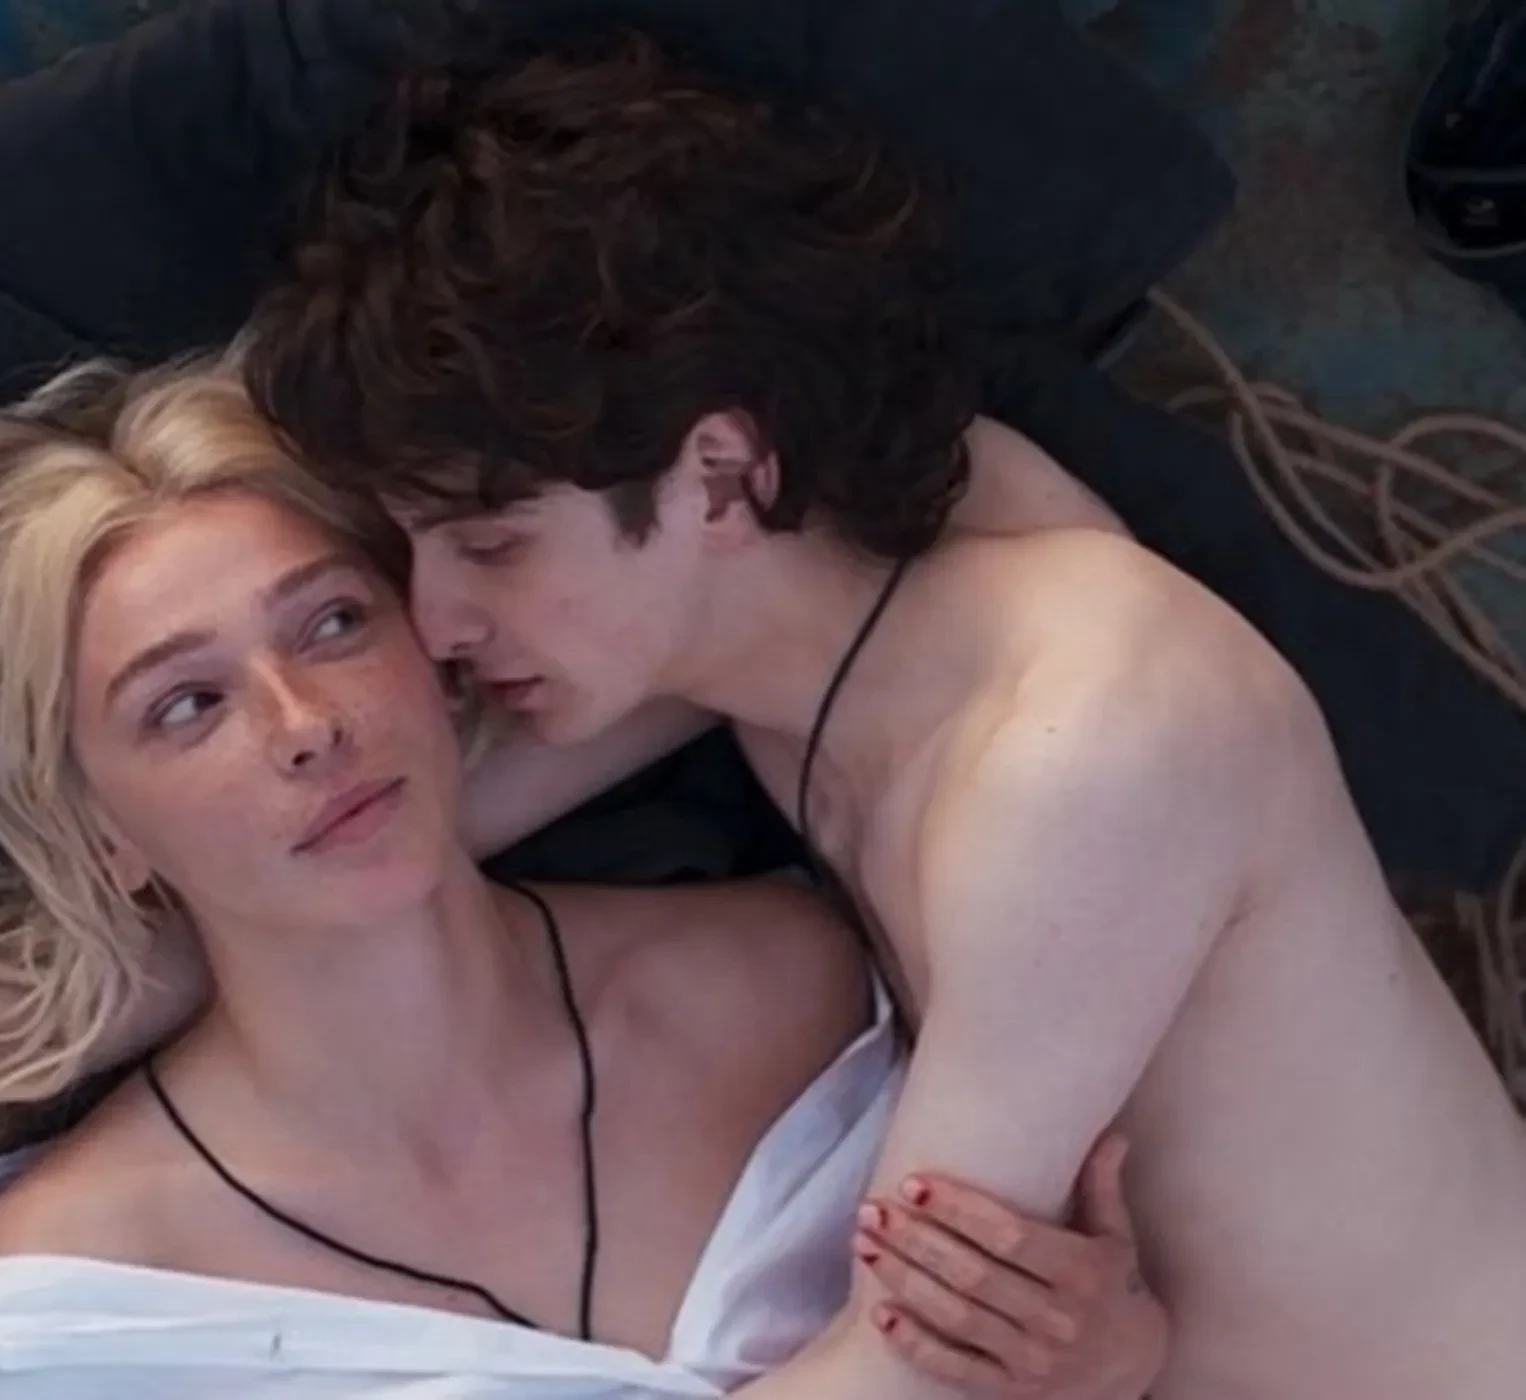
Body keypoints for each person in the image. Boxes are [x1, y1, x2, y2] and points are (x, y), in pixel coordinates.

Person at [228, 30, 1526, 1400]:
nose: (433, 623)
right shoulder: (794, 606)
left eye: (490, 547)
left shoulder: (1077, 750)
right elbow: (381, 833)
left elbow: (903, 1371)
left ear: (719, 477)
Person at [0, 358, 1164, 1398]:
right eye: (185, 706)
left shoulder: (796, 978)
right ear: (99, 833)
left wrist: (1107, 1357)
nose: (304, 726)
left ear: (436, 647)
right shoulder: (72, 1307)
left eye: (332, 623)